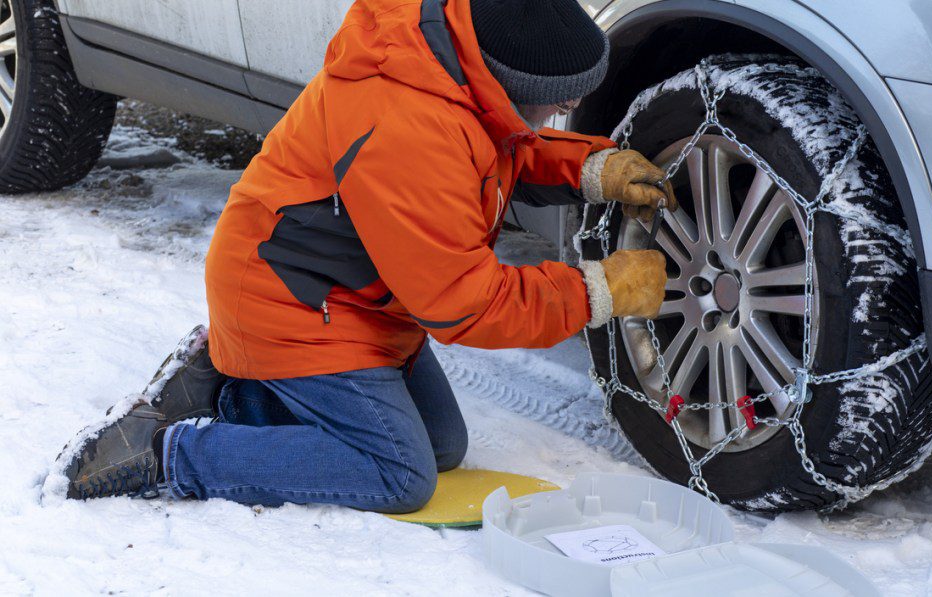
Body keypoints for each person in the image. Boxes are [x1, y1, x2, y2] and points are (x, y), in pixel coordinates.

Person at [62, 0, 675, 511]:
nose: (562, 113)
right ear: (507, 83)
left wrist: (593, 168)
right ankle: (166, 452)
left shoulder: (451, 59)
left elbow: (499, 145)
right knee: (399, 473)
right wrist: (598, 291)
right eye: (554, 102)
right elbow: (466, 305)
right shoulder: (409, 127)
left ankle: (230, 390)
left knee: (441, 444)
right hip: (291, 301)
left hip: (357, 297)